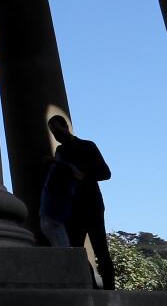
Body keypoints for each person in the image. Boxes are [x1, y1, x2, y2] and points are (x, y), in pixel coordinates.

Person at [48, 114, 115, 290]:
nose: (56, 135)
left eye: (58, 131)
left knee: (101, 250)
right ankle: (93, 288)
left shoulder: (87, 146)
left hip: (91, 205)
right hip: (72, 208)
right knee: (76, 251)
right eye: (53, 133)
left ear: (66, 127)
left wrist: (83, 174)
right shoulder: (60, 152)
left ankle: (109, 291)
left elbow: (105, 173)